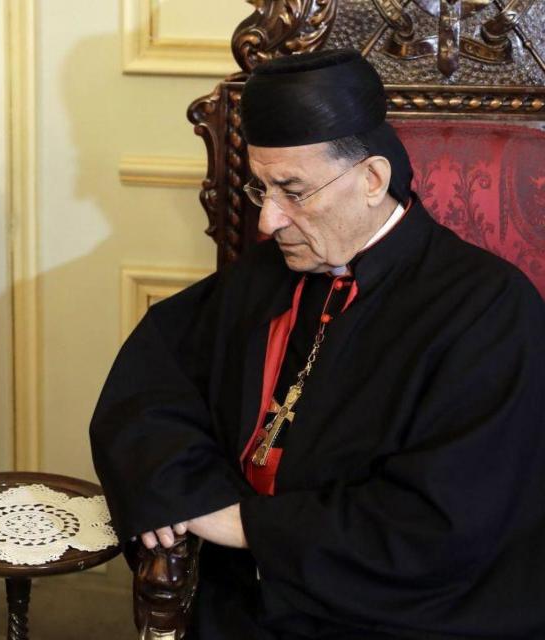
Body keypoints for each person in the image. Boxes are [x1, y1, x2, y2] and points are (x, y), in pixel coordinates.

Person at [90, 50, 545, 639]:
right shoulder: (269, 273)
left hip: (396, 615)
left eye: (293, 191)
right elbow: (153, 380)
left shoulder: (489, 311)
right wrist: (181, 491)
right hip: (244, 593)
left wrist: (246, 525)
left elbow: (445, 526)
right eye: (260, 189)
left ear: (372, 180)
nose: (267, 221)